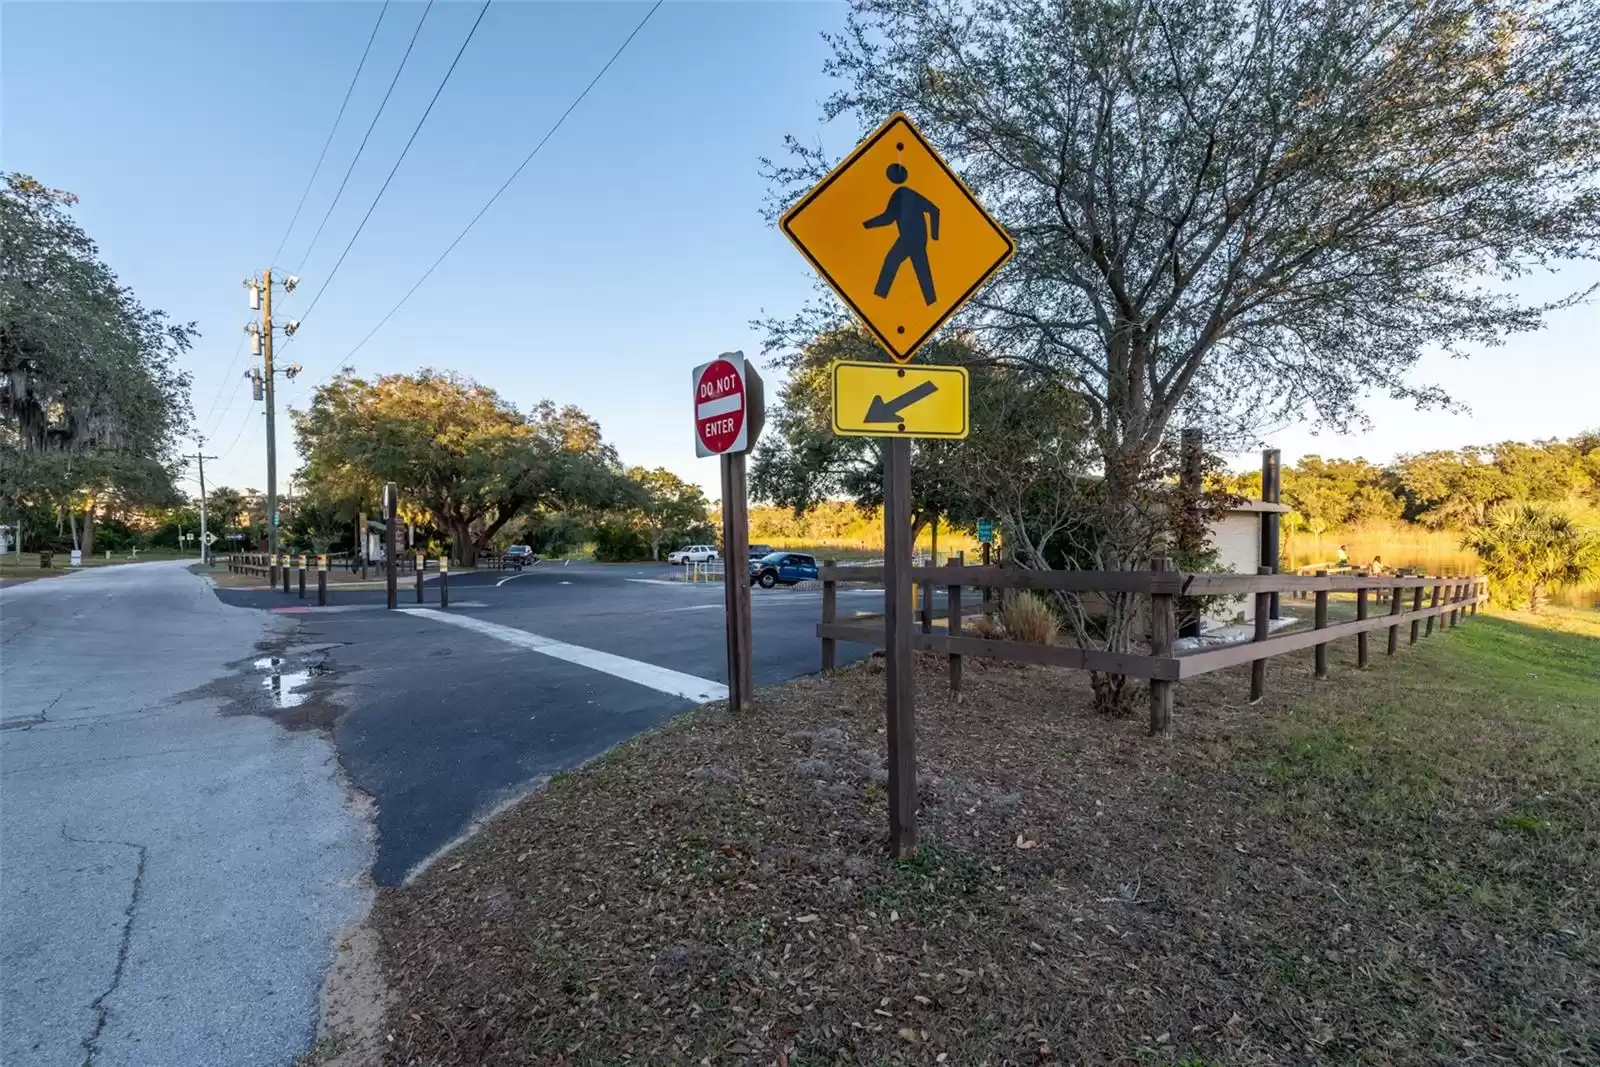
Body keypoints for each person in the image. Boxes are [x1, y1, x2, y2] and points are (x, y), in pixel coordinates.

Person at [864, 162, 941, 306]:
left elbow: (934, 210)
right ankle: (879, 300)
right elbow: (888, 218)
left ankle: (879, 299)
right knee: (899, 263)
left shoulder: (905, 193)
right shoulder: (899, 194)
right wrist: (867, 225)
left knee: (913, 267)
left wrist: (935, 236)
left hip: (914, 238)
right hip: (909, 238)